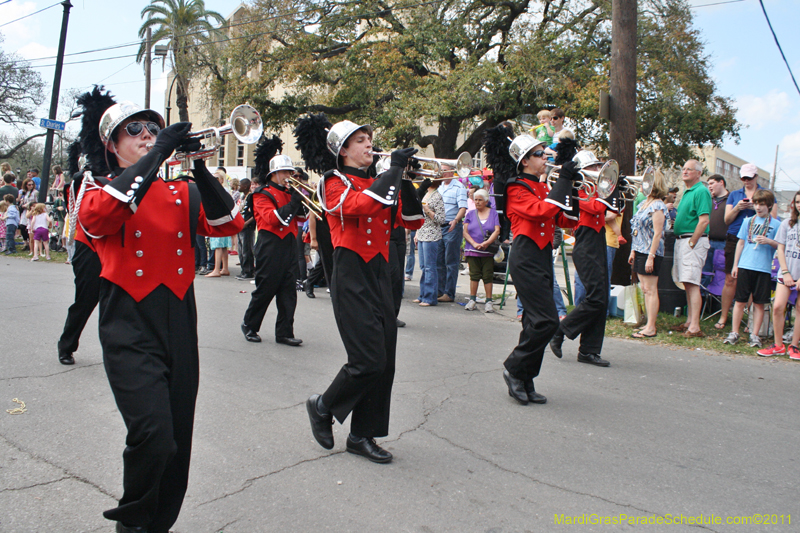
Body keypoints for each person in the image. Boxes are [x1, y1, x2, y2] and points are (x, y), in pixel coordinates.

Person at [78, 94, 243, 533]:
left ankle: (158, 524)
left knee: (178, 439)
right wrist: (159, 153)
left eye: (153, 128)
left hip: (179, 317)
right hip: (128, 320)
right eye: (133, 129)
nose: (147, 135)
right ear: (111, 144)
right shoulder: (96, 189)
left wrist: (200, 169)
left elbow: (229, 224)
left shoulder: (181, 191)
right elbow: (102, 218)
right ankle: (132, 521)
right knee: (153, 434)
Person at [306, 120, 423, 463]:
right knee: (368, 359)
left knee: (385, 360)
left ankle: (361, 435)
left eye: (369, 139)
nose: (369, 144)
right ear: (343, 149)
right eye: (360, 140)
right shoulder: (332, 181)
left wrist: (405, 179)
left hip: (380, 271)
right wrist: (394, 171)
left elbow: (412, 221)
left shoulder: (378, 183)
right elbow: (360, 206)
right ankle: (323, 406)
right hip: (350, 271)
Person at [486, 128, 579, 404]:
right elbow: (541, 211)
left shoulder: (542, 187)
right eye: (539, 154)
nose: (545, 157)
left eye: (544, 153)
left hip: (542, 256)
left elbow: (564, 220)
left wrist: (572, 188)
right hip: (525, 257)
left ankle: (526, 378)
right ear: (525, 160)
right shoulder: (516, 187)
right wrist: (563, 181)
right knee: (547, 321)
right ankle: (514, 368)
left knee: (532, 322)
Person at [550, 150, 620, 367]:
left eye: (598, 167)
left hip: (598, 240)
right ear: (581, 171)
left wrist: (616, 187)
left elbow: (614, 210)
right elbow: (598, 207)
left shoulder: (596, 190)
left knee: (602, 299)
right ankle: (561, 330)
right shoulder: (578, 191)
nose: (598, 171)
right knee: (596, 298)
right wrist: (611, 188)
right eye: (593, 167)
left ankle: (589, 350)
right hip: (586, 243)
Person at [241, 153, 306, 345]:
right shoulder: (261, 193)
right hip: (269, 245)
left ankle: (284, 332)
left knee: (288, 291)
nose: (289, 175)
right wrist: (294, 202)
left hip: (289, 244)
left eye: (290, 172)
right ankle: (249, 325)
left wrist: (300, 200)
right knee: (265, 289)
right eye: (285, 171)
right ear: (274, 173)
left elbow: (300, 218)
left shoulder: (289, 192)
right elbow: (272, 219)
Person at [722, 189, 780, 348]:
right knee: (740, 300)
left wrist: (769, 241)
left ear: (769, 206)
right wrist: (735, 264)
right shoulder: (748, 221)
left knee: (759, 303)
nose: (758, 207)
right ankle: (734, 332)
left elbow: (780, 246)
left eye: (762, 205)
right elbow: (740, 243)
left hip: (763, 268)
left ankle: (755, 334)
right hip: (745, 265)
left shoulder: (776, 224)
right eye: (756, 204)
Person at [720, 164, 764, 330]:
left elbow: (773, 218)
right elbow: (727, 219)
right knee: (730, 278)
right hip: (734, 237)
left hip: (756, 239)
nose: (746, 181)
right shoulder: (734, 195)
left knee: (753, 280)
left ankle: (750, 320)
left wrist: (756, 208)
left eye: (749, 178)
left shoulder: (764, 194)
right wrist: (738, 208)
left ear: (756, 177)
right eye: (743, 178)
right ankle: (724, 317)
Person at [672, 160, 712, 337]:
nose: (685, 171)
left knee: (693, 282)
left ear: (699, 173)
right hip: (683, 240)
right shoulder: (688, 192)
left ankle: (695, 327)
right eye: (684, 169)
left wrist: (692, 242)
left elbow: (704, 220)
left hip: (692, 241)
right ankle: (689, 321)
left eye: (689, 169)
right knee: (687, 282)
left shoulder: (701, 191)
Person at [759, 190, 800, 359]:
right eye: (797, 202)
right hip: (787, 272)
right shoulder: (787, 224)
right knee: (777, 307)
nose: (799, 205)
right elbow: (780, 249)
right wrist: (785, 272)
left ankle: (794, 346)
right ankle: (778, 345)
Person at [628, 173, 669, 338]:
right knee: (644, 288)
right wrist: (633, 250)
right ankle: (648, 323)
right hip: (640, 249)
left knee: (650, 289)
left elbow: (658, 233)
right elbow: (636, 230)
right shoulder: (644, 204)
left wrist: (651, 256)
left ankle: (651, 326)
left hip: (650, 251)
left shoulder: (658, 206)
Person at [463, 188, 500, 312]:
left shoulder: (493, 213)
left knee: (488, 275)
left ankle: (489, 301)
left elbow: (497, 230)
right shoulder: (470, 214)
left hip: (487, 250)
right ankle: (472, 299)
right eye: (476, 200)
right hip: (472, 249)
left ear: (486, 201)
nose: (477, 202)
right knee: (474, 275)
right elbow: (465, 231)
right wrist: (474, 243)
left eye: (480, 200)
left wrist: (486, 243)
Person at [436, 168, 468, 302]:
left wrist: (455, 220)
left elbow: (463, 207)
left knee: (450, 261)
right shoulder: (439, 186)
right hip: (439, 225)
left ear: (451, 171)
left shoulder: (459, 187)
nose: (441, 173)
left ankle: (449, 293)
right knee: (439, 260)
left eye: (444, 170)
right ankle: (440, 290)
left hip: (451, 226)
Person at [415, 179, 445, 307]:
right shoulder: (425, 193)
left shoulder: (437, 196)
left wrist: (428, 210)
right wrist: (417, 232)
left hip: (432, 235)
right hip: (422, 232)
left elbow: (441, 219)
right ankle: (423, 294)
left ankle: (430, 297)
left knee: (430, 267)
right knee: (423, 266)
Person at [704, 174, 729, 297]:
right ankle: (703, 301)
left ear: (721, 183)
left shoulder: (731, 199)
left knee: (721, 276)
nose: (710, 187)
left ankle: (718, 302)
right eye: (708, 184)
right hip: (707, 241)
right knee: (705, 273)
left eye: (712, 183)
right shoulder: (709, 200)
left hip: (723, 243)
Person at [235, 178, 255, 280]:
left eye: (240, 185)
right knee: (241, 250)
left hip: (247, 227)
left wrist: (246, 223)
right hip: (240, 226)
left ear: (246, 186)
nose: (239, 187)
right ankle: (243, 270)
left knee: (246, 250)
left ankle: (249, 271)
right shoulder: (243, 196)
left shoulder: (251, 197)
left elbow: (255, 213)